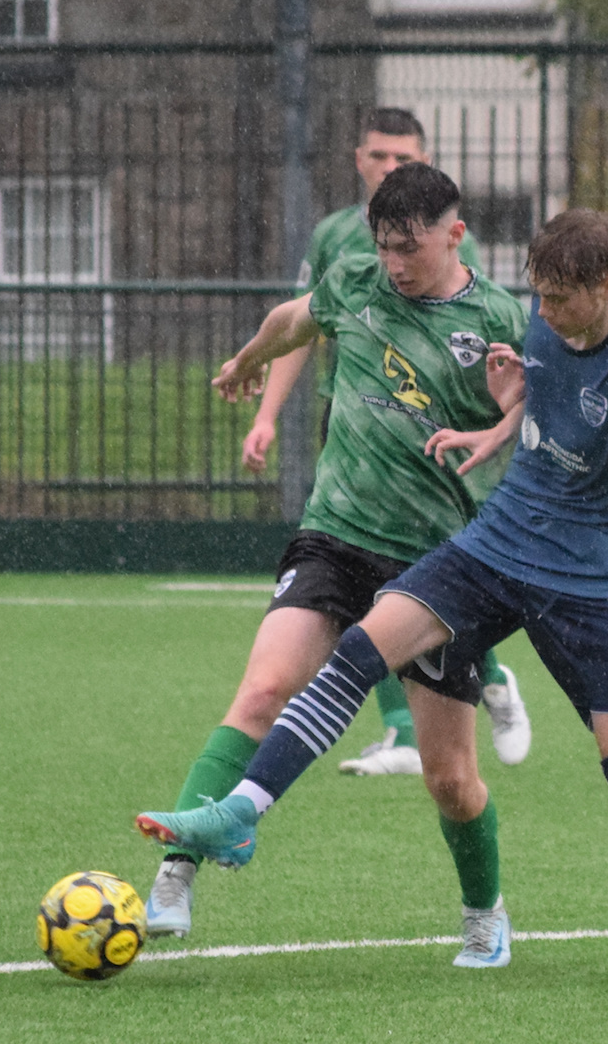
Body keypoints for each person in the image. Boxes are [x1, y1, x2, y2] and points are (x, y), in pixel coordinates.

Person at [137, 209, 608, 980]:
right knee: (363, 643)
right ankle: (239, 814)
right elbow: (538, 400)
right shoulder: (547, 320)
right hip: (501, 540)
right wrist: (494, 428)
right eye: (539, 296)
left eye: (558, 300)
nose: (542, 314)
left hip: (592, 578)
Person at [142, 163, 528, 964]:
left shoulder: (495, 317)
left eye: (410, 249)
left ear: (455, 235)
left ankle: (485, 912)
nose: (394, 263)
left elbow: (533, 412)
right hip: (335, 534)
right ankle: (177, 870)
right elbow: (296, 316)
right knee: (262, 689)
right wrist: (250, 358)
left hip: (433, 567)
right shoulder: (355, 279)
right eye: (385, 247)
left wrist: (509, 411)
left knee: (449, 778)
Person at [248, 106, 532, 778]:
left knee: (424, 574)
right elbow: (301, 325)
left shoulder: (463, 262)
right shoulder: (336, 241)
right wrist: (265, 410)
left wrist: (499, 418)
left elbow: (507, 366)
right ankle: (401, 727)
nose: (390, 169)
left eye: (404, 159)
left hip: (438, 444)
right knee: (359, 577)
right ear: (358, 159)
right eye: (379, 157)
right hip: (353, 417)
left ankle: (489, 679)